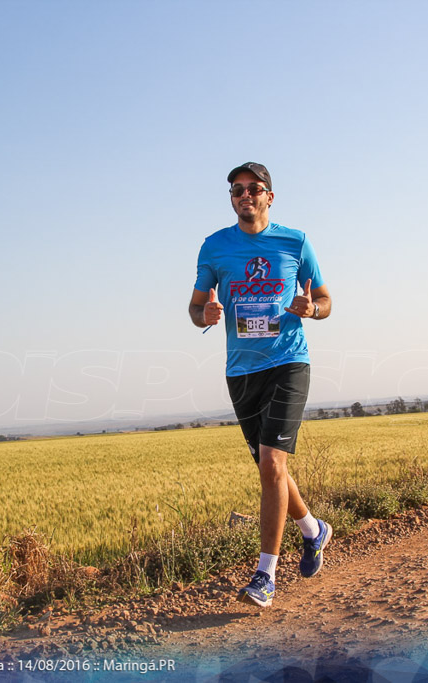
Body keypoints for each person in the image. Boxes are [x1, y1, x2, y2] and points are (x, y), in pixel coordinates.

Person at [188, 162, 333, 607]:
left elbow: (327, 302)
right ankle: (313, 530)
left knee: (272, 464)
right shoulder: (214, 247)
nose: (245, 195)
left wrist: (311, 310)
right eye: (237, 190)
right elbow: (195, 308)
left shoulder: (296, 242)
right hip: (241, 371)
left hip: (289, 361)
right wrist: (205, 317)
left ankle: (265, 575)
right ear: (232, 198)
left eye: (254, 188)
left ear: (270, 196)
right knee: (272, 469)